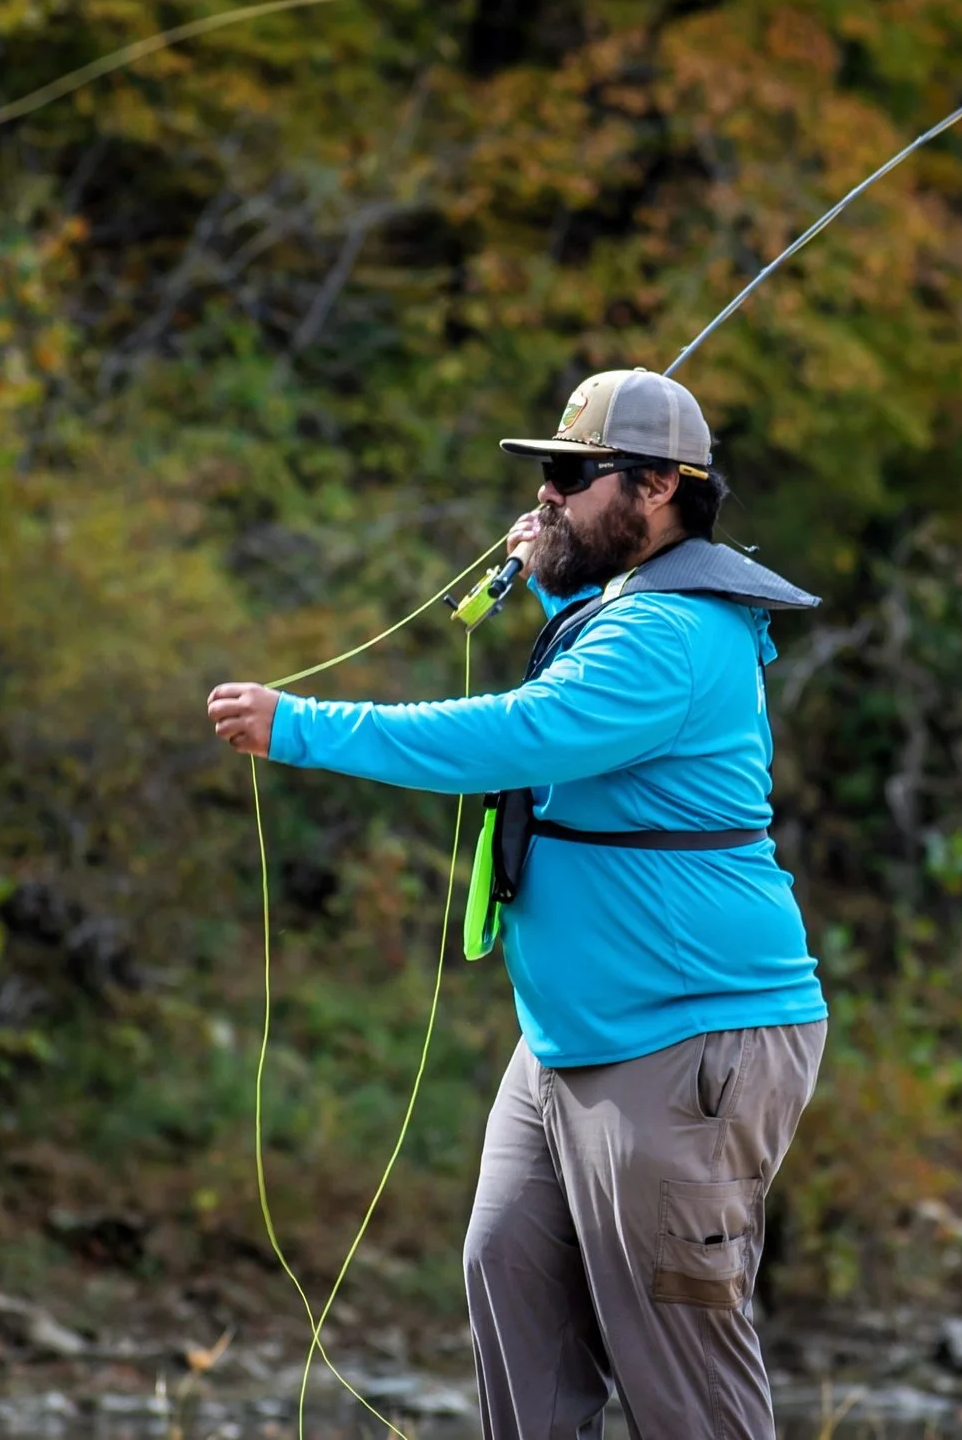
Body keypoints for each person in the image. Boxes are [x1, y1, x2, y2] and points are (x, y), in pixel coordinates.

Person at [207, 367, 827, 1440]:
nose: (546, 493)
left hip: (688, 1042)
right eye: (547, 471)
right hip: (565, 1044)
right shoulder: (627, 613)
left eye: (573, 475)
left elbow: (516, 733)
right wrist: (555, 589)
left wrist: (298, 725)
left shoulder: (670, 636)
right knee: (508, 1282)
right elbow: (582, 680)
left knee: (686, 1385)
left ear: (657, 490)